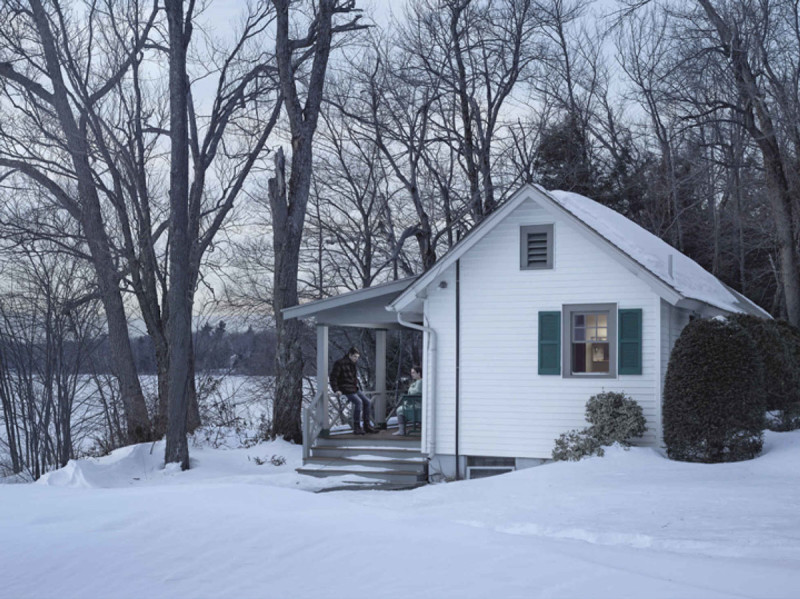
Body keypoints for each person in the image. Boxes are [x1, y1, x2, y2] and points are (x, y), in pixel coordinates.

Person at [329, 347, 377, 435]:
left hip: (354, 387)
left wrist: (355, 385)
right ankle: (357, 427)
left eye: (357, 357)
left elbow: (354, 378)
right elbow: (333, 378)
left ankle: (367, 425)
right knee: (358, 402)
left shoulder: (353, 364)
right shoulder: (339, 363)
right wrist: (336, 390)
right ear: (350, 355)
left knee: (368, 402)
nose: (356, 359)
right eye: (355, 356)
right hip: (344, 388)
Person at [394, 364, 422, 436]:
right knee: (400, 409)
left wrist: (410, 388)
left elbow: (416, 392)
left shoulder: (420, 382)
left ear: (418, 373)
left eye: (413, 373)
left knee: (399, 410)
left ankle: (401, 430)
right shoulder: (417, 382)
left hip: (417, 405)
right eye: (411, 373)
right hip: (416, 404)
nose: (412, 374)